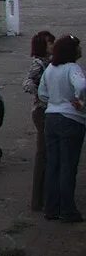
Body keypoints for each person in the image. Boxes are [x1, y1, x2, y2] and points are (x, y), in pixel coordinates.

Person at [38, 34, 86, 222]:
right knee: (68, 165)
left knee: (53, 165)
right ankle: (67, 209)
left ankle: (51, 208)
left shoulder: (50, 68)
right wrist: (79, 101)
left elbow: (42, 93)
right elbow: (82, 85)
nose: (80, 49)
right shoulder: (73, 68)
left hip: (51, 117)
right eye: (77, 46)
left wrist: (55, 102)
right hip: (71, 120)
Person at [25, 30, 57, 212]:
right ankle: (37, 199)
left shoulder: (53, 63)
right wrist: (40, 94)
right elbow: (27, 82)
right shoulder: (38, 64)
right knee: (42, 153)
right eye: (49, 43)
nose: (52, 45)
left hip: (50, 110)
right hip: (41, 110)